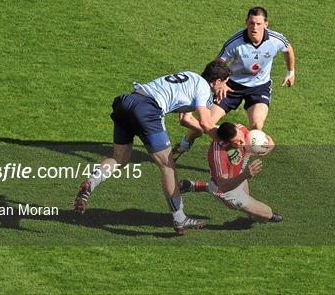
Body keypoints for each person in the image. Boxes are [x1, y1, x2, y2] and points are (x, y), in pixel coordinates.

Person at [73, 61, 232, 235]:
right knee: (168, 167)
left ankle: (90, 183)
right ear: (217, 81)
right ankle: (179, 218)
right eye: (225, 83)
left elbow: (186, 119)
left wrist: (201, 132)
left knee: (119, 158)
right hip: (147, 109)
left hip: (127, 101)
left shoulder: (192, 77)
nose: (226, 87)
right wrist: (226, 144)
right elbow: (205, 121)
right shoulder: (203, 88)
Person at [173, 6, 296, 160]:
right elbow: (218, 63)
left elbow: (288, 49)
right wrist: (222, 84)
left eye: (258, 24)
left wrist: (291, 72)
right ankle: (184, 144)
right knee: (207, 121)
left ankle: (239, 159)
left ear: (266, 24)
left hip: (259, 88)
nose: (254, 27)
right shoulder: (235, 42)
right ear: (246, 22)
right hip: (231, 86)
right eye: (251, 23)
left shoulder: (276, 39)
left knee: (257, 127)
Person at [179, 122, 282, 223]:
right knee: (266, 214)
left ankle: (195, 185)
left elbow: (252, 138)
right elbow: (224, 186)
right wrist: (246, 174)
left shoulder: (239, 129)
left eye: (241, 137)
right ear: (227, 143)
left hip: (238, 173)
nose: (242, 142)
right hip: (226, 190)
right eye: (237, 142)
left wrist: (268, 146)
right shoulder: (218, 156)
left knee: (250, 204)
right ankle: (256, 216)